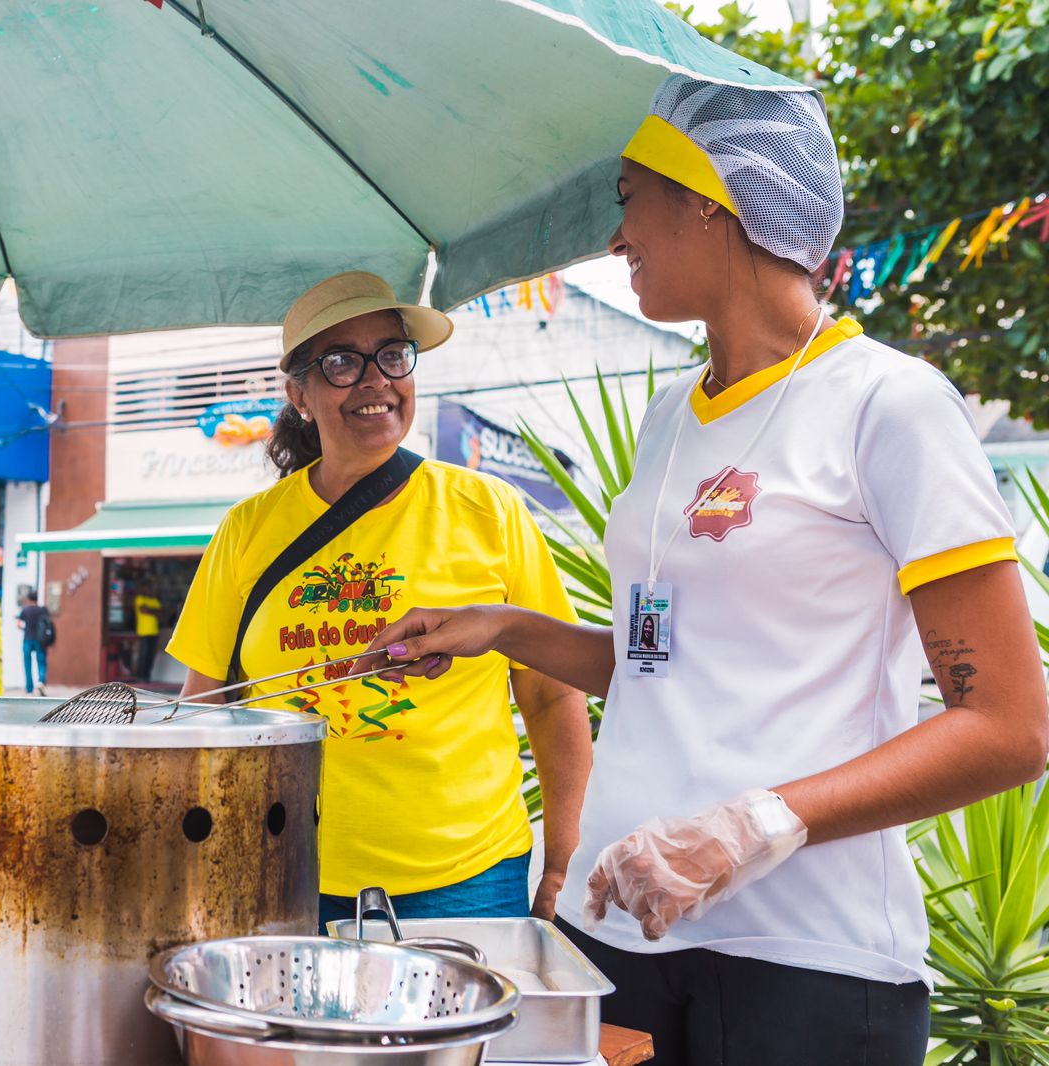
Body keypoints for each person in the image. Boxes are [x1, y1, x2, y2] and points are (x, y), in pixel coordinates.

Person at [364, 75, 1048, 1065]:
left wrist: (754, 825)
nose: (615, 238)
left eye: (628, 197)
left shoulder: (886, 406)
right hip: (625, 931)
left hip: (807, 957)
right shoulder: (667, 419)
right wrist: (502, 626)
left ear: (707, 200)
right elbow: (667, 672)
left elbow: (1007, 728)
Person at [168, 271, 591, 929]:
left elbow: (553, 692)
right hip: (285, 873)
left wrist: (566, 855)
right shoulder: (248, 529)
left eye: (392, 355)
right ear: (299, 395)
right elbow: (205, 707)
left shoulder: (488, 509)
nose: (375, 380)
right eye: (341, 362)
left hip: (467, 880)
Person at [17, 590, 49, 696]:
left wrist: (25, 628)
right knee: (41, 661)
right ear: (36, 599)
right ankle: (40, 681)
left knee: (27, 663)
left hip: (27, 638)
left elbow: (19, 624)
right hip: (40, 640)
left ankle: (29, 689)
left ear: (29, 599)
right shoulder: (42, 610)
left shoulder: (25, 610)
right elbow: (47, 622)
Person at [132, 581, 163, 681]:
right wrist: (154, 611)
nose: (149, 590)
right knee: (143, 655)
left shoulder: (154, 600)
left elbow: (161, 612)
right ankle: (140, 676)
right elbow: (144, 610)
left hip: (154, 632)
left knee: (150, 656)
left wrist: (150, 610)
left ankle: (147, 676)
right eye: (147, 588)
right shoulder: (140, 599)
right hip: (144, 632)